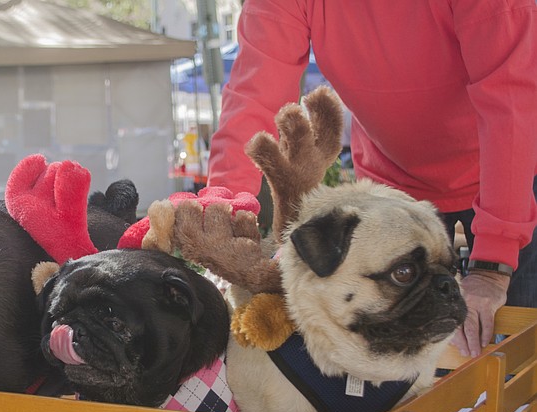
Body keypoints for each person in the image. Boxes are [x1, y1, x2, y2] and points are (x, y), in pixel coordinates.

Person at [208, 0, 537, 359]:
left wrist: (491, 270)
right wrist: (220, 212)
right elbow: (252, 96)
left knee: (518, 362)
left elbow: (512, 105)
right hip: (392, 180)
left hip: (515, 177)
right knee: (395, 364)